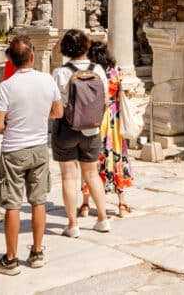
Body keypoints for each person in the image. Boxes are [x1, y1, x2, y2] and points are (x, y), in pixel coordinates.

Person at [0, 35, 62, 275]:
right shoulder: (47, 80)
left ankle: (10, 259)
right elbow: (58, 112)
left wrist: (16, 123)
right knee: (38, 200)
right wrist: (38, 119)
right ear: (32, 56)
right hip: (40, 146)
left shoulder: (6, 87)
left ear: (10, 58)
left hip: (14, 148)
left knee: (13, 203)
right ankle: (37, 251)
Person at [51, 29, 110, 238]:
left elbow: (56, 104)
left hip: (66, 128)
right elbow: (105, 101)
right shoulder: (99, 70)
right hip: (91, 129)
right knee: (92, 174)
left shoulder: (60, 72)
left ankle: (73, 224)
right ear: (86, 46)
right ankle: (102, 219)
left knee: (68, 176)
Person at [79, 42, 133, 218]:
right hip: (113, 122)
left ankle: (86, 204)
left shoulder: (90, 73)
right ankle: (122, 204)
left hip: (94, 120)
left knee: (90, 160)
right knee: (116, 156)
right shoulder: (115, 71)